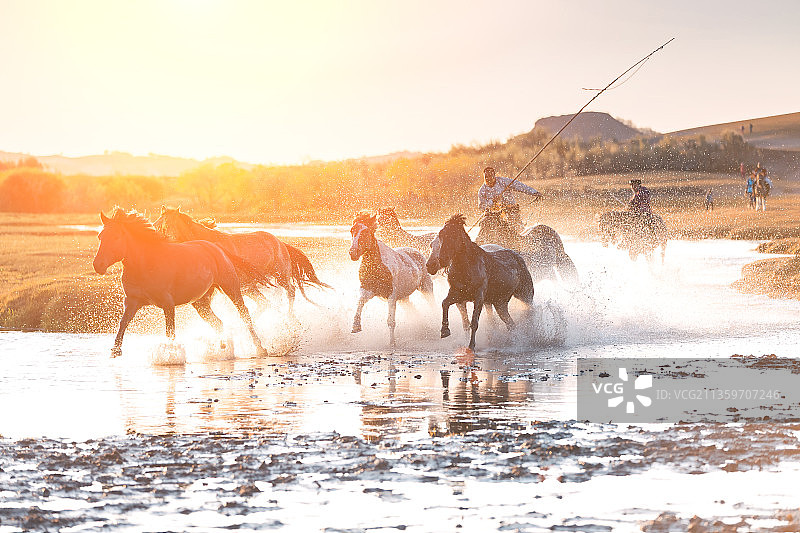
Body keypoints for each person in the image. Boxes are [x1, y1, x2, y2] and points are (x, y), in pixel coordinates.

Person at [478, 166, 541, 233]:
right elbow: (481, 207)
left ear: (494, 176)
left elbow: (520, 186)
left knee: (518, 229)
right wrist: (492, 201)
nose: (488, 179)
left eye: (490, 176)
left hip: (511, 211)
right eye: (486, 177)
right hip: (494, 216)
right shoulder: (482, 191)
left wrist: (534, 192)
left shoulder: (503, 181)